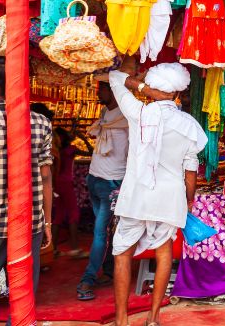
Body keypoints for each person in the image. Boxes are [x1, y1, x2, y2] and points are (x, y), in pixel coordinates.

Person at [103, 59, 207, 326]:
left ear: (154, 88)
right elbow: (191, 169)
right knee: (163, 254)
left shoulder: (139, 112)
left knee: (122, 254)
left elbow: (115, 77)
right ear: (179, 93)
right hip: (170, 197)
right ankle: (153, 318)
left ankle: (121, 319)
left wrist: (143, 88)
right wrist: (189, 199)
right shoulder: (189, 124)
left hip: (137, 195)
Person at [0, 59, 54, 324]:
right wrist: (48, 222)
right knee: (24, 291)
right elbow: (45, 176)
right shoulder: (41, 123)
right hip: (29, 219)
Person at [76, 81, 130, 301]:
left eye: (103, 88)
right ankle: (107, 269)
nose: (99, 92)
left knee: (100, 232)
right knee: (104, 231)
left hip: (111, 182)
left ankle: (87, 280)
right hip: (95, 178)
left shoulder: (127, 120)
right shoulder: (105, 113)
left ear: (114, 92)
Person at [51, 127, 85, 258]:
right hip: (66, 183)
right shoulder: (71, 149)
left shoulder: (56, 150)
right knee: (73, 213)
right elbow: (91, 152)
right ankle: (75, 248)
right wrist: (83, 139)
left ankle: (53, 248)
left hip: (57, 183)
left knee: (58, 215)